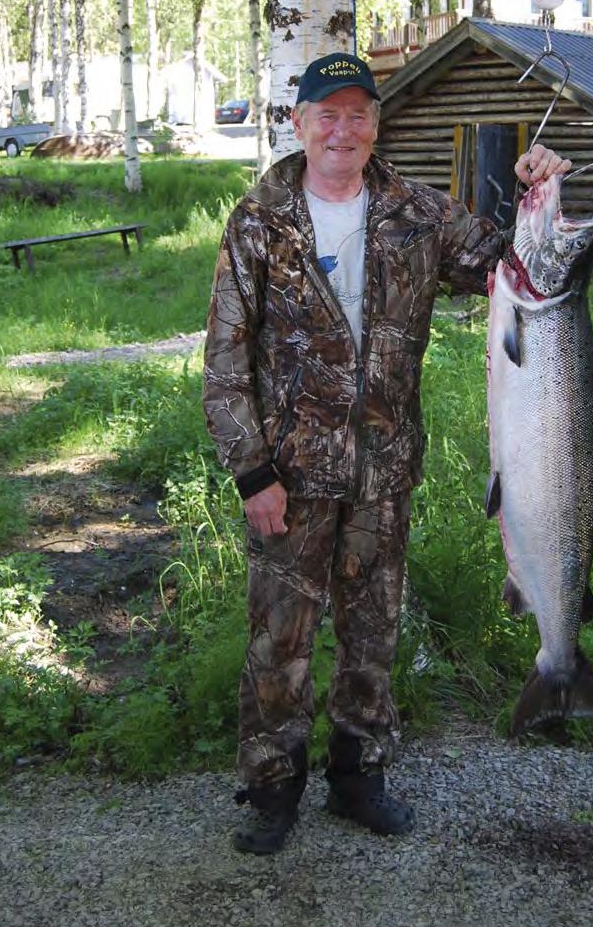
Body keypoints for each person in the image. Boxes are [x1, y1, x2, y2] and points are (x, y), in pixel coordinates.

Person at [202, 52, 570, 855]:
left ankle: (358, 776)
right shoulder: (258, 220)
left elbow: (518, 270)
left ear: (376, 125)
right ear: (298, 124)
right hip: (288, 480)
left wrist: (544, 190)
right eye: (325, 114)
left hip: (384, 471)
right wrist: (251, 471)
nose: (343, 129)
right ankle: (272, 788)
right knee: (279, 641)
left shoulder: (419, 214)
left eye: (357, 113)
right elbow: (225, 359)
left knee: (372, 634)